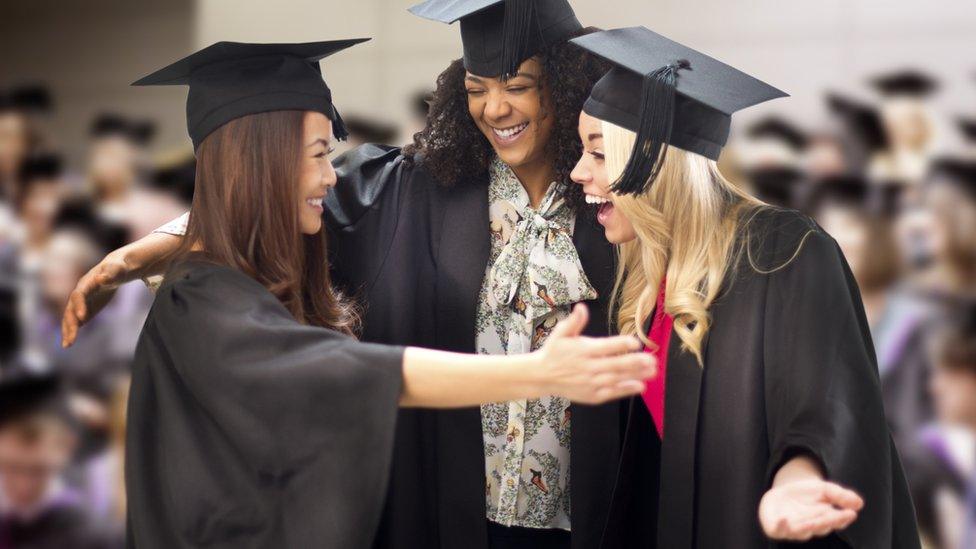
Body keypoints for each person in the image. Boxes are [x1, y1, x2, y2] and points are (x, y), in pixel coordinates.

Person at [64, 2, 621, 547]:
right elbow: (259, 201)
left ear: (565, 84)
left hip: (586, 513)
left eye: (516, 86)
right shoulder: (414, 190)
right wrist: (134, 255)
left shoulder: (618, 202)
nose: (495, 108)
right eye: (477, 89)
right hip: (446, 510)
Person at [569, 26, 919, 547]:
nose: (578, 172)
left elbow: (826, 407)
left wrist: (795, 487)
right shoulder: (645, 279)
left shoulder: (785, 252)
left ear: (655, 161)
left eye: (599, 154)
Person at [0, 374, 120, 549]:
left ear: (66, 447)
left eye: (38, 470)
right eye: (11, 466)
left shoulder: (92, 534)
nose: (23, 486)